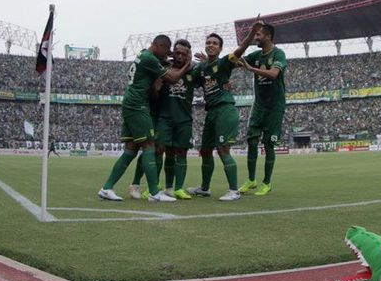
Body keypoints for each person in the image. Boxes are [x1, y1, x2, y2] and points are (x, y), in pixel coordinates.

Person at [97, 35, 191, 203]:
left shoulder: (142, 56)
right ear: (159, 46)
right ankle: (155, 193)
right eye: (166, 51)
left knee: (131, 150)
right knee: (149, 146)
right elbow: (172, 78)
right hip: (137, 106)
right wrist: (187, 65)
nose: (166, 56)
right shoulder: (149, 58)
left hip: (131, 104)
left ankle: (107, 188)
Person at [187, 20, 263, 201]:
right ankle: (204, 188)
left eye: (214, 43)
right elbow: (191, 77)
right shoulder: (202, 68)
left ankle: (234, 190)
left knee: (223, 150)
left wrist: (252, 32)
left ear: (220, 49)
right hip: (211, 112)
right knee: (205, 151)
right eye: (208, 43)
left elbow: (240, 50)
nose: (210, 45)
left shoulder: (224, 62)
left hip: (224, 111)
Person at [129, 39, 196, 201]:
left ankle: (176, 188)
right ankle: (154, 187)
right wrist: (156, 90)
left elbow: (209, 79)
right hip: (163, 117)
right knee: (156, 150)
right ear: (172, 52)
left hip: (184, 119)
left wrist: (224, 84)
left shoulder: (194, 71)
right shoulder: (163, 68)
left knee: (180, 153)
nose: (179, 56)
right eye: (177, 52)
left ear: (188, 55)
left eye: (184, 53)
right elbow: (153, 94)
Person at [237, 23, 287, 196]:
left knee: (268, 144)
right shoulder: (256, 55)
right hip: (259, 105)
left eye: (258, 35)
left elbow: (274, 74)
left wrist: (252, 69)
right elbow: (235, 60)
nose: (256, 38)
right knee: (251, 140)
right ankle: (251, 180)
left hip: (275, 106)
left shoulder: (278, 54)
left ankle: (266, 183)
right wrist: (212, 62)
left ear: (268, 36)